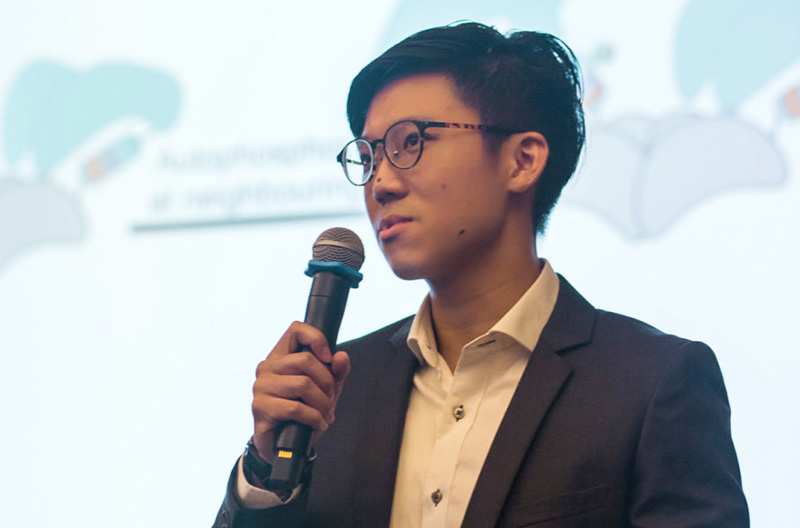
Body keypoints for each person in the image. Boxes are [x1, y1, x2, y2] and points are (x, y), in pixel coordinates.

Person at [213, 22, 749, 528]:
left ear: (522, 161)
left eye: (410, 143)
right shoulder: (334, 390)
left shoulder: (651, 382)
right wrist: (265, 465)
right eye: (371, 156)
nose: (380, 184)